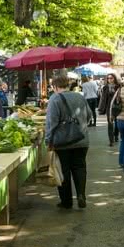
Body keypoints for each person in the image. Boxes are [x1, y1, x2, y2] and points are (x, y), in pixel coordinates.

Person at [45, 74, 92, 209]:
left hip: (62, 142)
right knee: (80, 167)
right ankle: (81, 195)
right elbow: (88, 116)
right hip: (81, 139)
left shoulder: (55, 99)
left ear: (54, 86)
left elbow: (51, 123)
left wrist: (48, 141)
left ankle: (66, 201)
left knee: (63, 170)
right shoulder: (80, 96)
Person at [98, 73, 120, 147]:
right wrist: (101, 108)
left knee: (117, 124)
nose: (109, 80)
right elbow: (103, 99)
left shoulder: (118, 87)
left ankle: (116, 135)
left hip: (117, 107)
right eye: (108, 78)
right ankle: (111, 141)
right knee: (110, 124)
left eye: (111, 78)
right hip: (108, 108)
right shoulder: (105, 87)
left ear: (114, 79)